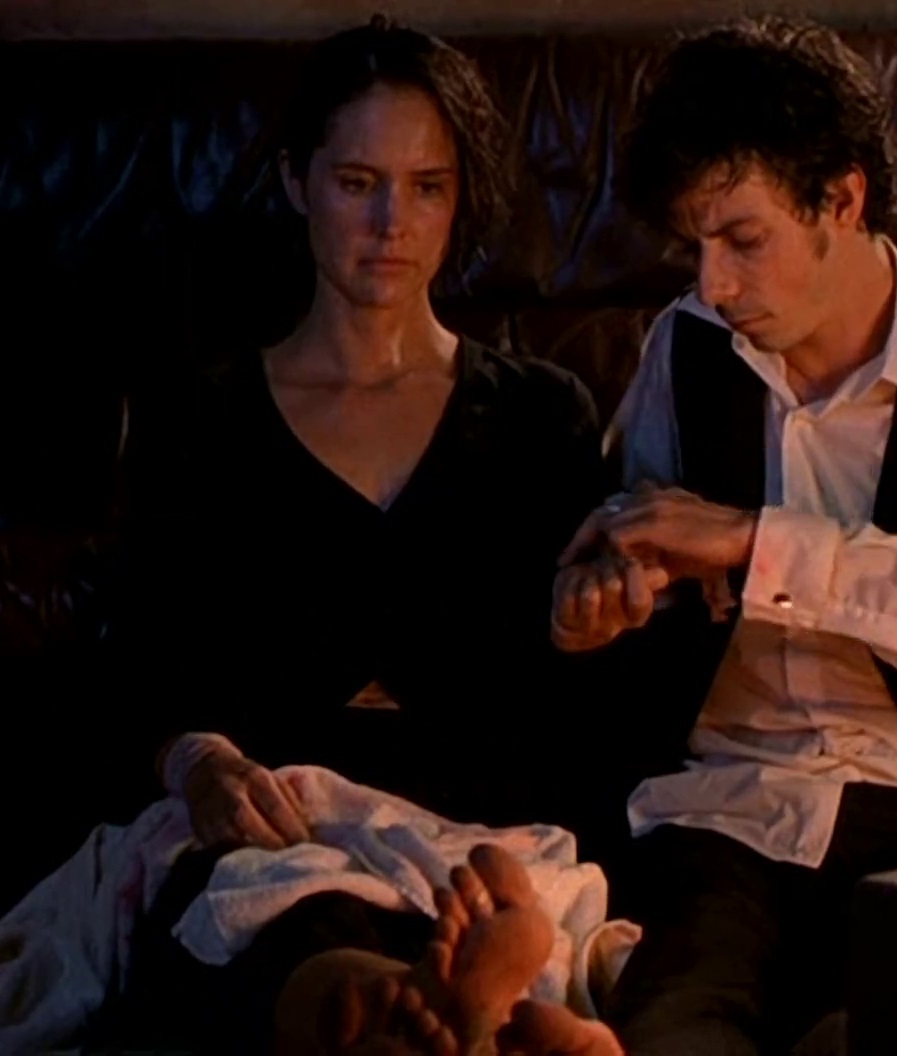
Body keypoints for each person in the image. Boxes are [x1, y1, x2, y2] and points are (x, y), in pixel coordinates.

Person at [550, 17, 897, 1055]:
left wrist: (761, 544)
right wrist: (607, 599)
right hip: (721, 812)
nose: (713, 284)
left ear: (842, 200)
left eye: (743, 240)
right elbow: (638, 554)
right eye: (695, 247)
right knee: (671, 1033)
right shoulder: (684, 346)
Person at [106, 18, 609, 1053]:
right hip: (283, 814)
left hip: (476, 813)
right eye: (357, 184)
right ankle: (467, 1014)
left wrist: (601, 619)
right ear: (297, 181)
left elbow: (584, 688)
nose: (392, 223)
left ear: (461, 199)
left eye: (427, 187)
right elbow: (140, 658)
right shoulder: (201, 416)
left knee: (441, 908)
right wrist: (201, 764)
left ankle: (446, 997)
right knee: (265, 923)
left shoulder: (542, 414)